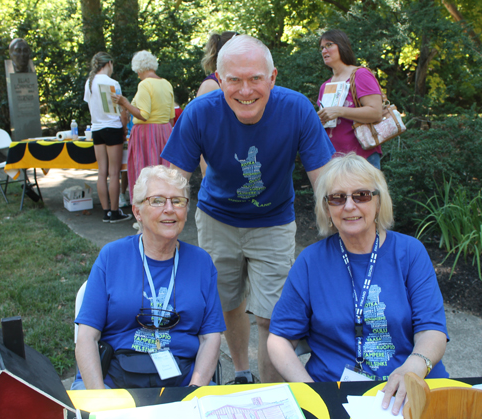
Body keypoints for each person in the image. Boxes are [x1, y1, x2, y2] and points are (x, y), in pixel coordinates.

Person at [161, 35, 335, 384]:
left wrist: (342, 228)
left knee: (273, 315)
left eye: (255, 78)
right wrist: (160, 225)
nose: (245, 90)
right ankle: (242, 372)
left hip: (273, 221)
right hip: (217, 219)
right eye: (235, 80)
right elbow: (172, 182)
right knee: (227, 303)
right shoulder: (200, 113)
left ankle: (271, 392)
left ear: (272, 78)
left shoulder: (297, 109)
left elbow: (326, 181)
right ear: (219, 79)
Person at [268, 153, 448, 415]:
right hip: (334, 392)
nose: (349, 206)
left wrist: (413, 368)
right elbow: (280, 338)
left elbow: (432, 330)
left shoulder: (410, 252)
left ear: (378, 201)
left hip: (410, 389)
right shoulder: (311, 261)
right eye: (337, 198)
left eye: (361, 195)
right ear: (327, 208)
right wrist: (312, 392)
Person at [73, 165, 225, 389]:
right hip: (113, 379)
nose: (169, 209)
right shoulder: (111, 257)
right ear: (137, 211)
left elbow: (211, 337)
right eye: (157, 201)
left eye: (178, 201)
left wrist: (194, 393)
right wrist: (100, 399)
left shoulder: (201, 263)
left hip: (183, 380)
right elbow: (86, 337)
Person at [112, 50, 175, 203]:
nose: (137, 75)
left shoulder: (145, 84)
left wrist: (124, 103)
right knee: (164, 174)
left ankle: (146, 209)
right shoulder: (166, 84)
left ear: (139, 69)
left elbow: (143, 114)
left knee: (146, 173)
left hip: (147, 134)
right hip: (165, 131)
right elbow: (171, 117)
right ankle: (164, 205)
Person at [317, 29, 383, 169]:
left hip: (362, 158)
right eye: (322, 47)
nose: (324, 50)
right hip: (334, 161)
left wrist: (339, 111)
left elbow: (376, 112)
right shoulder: (325, 86)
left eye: (329, 45)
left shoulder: (360, 74)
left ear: (342, 46)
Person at [84, 52, 132, 223]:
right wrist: (125, 127)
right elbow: (122, 111)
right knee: (114, 173)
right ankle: (115, 211)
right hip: (112, 128)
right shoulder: (112, 83)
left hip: (96, 129)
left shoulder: (89, 83)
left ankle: (105, 212)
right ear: (109, 63)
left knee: (102, 172)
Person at [196, 31, 238, 177]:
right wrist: (207, 173)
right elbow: (202, 136)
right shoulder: (211, 86)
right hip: (218, 169)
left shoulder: (241, 83)